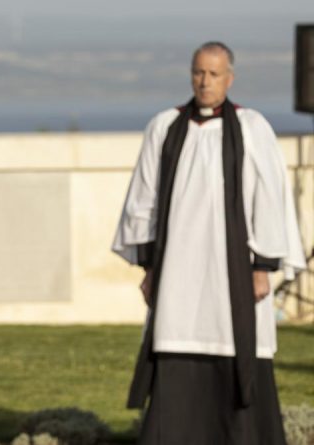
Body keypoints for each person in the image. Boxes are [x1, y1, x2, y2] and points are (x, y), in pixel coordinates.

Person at [112, 41, 306, 445]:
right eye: (199, 72)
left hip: (234, 273)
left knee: (238, 347)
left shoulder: (252, 128)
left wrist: (263, 266)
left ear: (229, 78)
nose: (205, 81)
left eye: (214, 74)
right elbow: (144, 198)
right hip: (178, 273)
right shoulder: (165, 127)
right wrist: (151, 269)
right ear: (191, 75)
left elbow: (270, 197)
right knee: (176, 344)